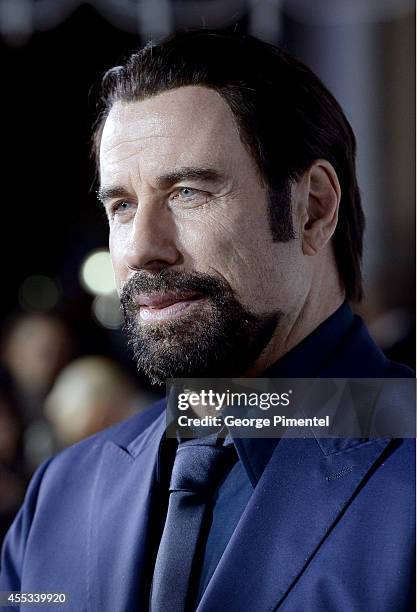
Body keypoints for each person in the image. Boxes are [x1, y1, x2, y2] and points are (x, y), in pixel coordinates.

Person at [0, 30, 414, 612]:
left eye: (188, 191)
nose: (142, 247)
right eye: (121, 205)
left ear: (313, 208)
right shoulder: (62, 494)